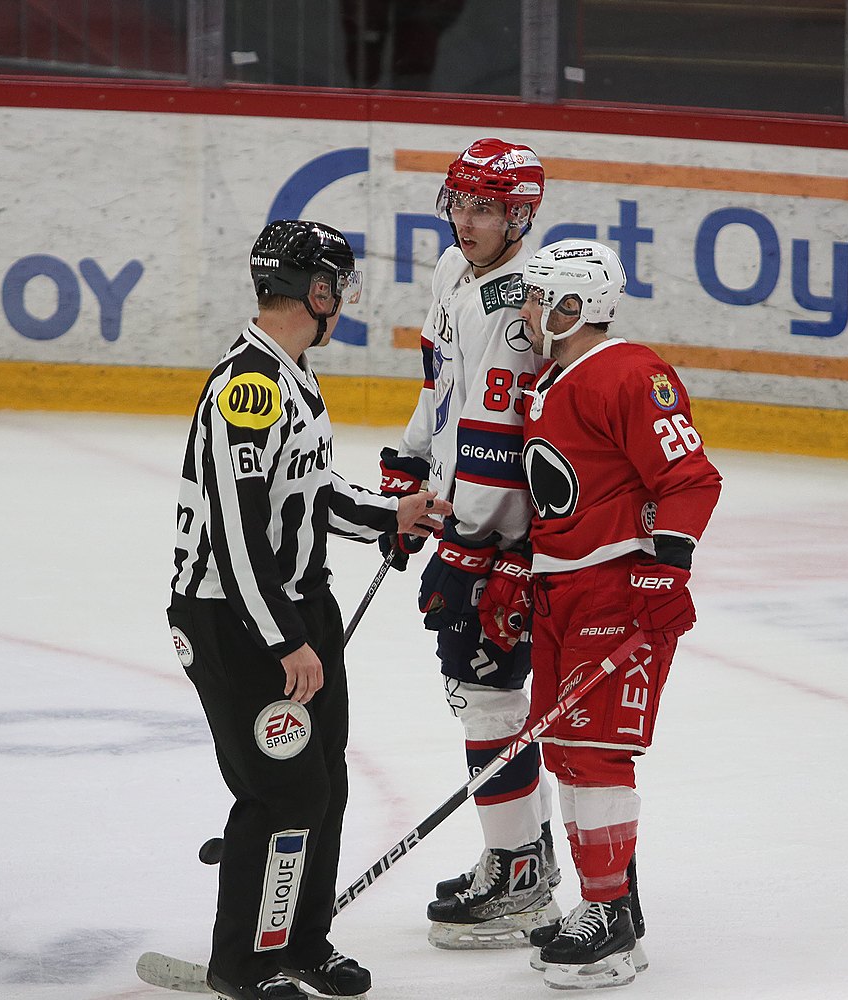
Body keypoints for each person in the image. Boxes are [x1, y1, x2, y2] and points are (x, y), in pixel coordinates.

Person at [169, 219, 450, 1000]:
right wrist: (286, 641)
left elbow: (310, 492)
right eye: (338, 285)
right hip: (236, 621)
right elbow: (233, 534)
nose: (344, 299)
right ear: (314, 291)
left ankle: (302, 943)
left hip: (296, 607)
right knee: (283, 792)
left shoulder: (292, 372)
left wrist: (389, 516)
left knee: (323, 781)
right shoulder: (249, 386)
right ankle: (245, 965)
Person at [516, 239, 723, 989]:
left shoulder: (632, 374)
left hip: (613, 590)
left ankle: (605, 919)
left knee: (596, 751)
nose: (528, 310)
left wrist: (666, 571)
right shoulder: (552, 376)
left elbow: (691, 479)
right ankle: (613, 908)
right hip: (560, 590)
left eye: (540, 298)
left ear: (575, 307)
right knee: (563, 749)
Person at [378, 137, 561, 949]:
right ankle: (521, 856)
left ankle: (521, 877)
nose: (465, 219)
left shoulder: (518, 306)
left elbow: (500, 437)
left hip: (507, 537)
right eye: (458, 201)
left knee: (491, 700)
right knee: (478, 698)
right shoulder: (454, 270)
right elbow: (442, 385)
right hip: (461, 514)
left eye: (484, 207)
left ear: (521, 214)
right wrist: (410, 462)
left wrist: (471, 547)